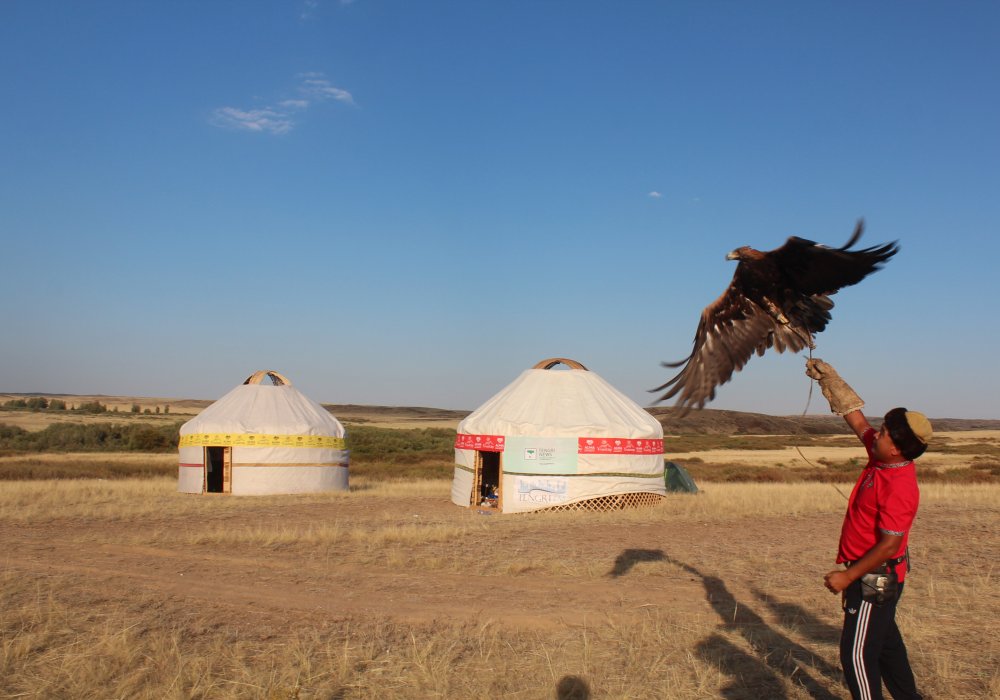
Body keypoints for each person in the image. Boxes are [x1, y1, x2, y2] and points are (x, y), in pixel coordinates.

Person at [805, 358, 931, 700]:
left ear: (898, 448)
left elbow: (890, 545)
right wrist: (831, 381)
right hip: (873, 571)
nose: (878, 432)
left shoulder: (900, 486)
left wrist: (848, 577)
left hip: (876, 575)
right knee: (886, 647)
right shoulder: (882, 455)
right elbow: (858, 420)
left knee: (858, 654)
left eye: (886, 432)